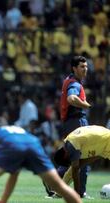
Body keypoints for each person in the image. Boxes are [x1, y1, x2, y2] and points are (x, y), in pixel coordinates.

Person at [0, 124, 82, 203]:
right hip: (33, 142)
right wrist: (3, 200)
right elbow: (14, 174)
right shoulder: (15, 130)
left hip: (11, 145)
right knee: (60, 187)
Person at [55, 55, 91, 198]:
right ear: (74, 68)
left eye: (86, 66)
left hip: (70, 123)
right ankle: (80, 192)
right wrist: (85, 104)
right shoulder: (75, 84)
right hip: (77, 122)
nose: (85, 69)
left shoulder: (68, 80)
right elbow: (71, 98)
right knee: (84, 157)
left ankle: (53, 182)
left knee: (72, 158)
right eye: (82, 67)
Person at [54, 125, 110, 197]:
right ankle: (59, 192)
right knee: (76, 167)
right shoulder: (68, 141)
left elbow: (75, 172)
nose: (70, 162)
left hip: (106, 140)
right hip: (102, 140)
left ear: (65, 155)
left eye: (68, 161)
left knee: (75, 168)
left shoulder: (72, 147)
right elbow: (76, 167)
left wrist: (76, 195)